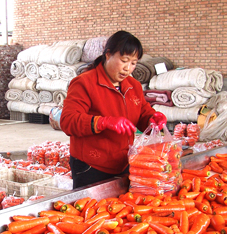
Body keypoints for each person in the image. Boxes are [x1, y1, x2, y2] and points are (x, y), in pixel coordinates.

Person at [60, 31, 167, 189]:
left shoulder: (133, 86)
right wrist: (103, 122)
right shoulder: (84, 83)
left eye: (133, 63)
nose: (128, 68)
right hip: (91, 166)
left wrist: (153, 119)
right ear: (108, 55)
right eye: (124, 61)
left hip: (124, 163)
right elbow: (68, 121)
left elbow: (143, 112)